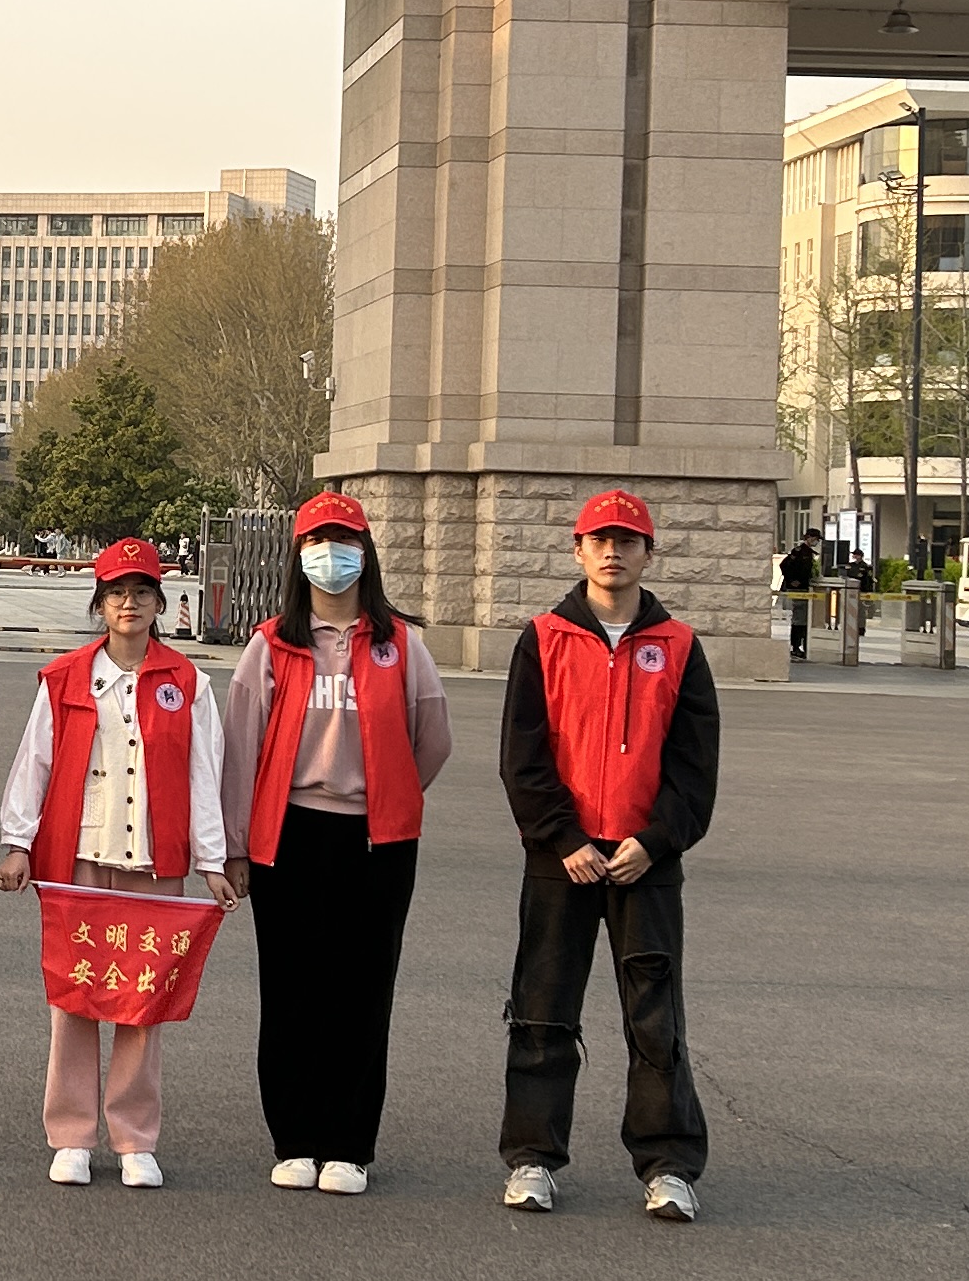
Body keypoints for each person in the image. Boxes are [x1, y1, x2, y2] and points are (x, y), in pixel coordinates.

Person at [218, 493, 453, 1196]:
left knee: (362, 990)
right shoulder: (272, 645)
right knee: (291, 988)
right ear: (299, 555)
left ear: (366, 553)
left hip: (376, 841)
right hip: (290, 835)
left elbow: (432, 740)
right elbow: (240, 751)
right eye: (317, 541)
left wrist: (390, 791)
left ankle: (349, 1144)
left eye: (345, 540)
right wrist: (235, 847)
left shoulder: (400, 645)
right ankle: (295, 1138)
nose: (331, 554)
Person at [496, 490, 720, 1223]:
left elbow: (694, 768)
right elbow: (523, 756)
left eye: (627, 540)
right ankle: (532, 1158)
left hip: (643, 863)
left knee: (655, 1019)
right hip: (561, 860)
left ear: (649, 552)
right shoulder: (544, 638)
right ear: (578, 549)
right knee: (542, 1009)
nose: (613, 551)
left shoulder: (679, 646)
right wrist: (563, 838)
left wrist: (654, 842)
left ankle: (669, 1165)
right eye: (599, 539)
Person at [0, 538, 235, 1189]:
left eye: (142, 592)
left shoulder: (188, 684)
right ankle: (71, 1134)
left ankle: (134, 1137)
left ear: (159, 602)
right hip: (78, 857)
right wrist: (19, 842)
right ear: (100, 603)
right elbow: (35, 763)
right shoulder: (66, 677)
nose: (130, 603)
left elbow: (204, 774)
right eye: (117, 593)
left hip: (155, 863)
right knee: (75, 999)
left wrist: (212, 860)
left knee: (142, 999)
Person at [779, 526, 820, 661]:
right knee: (799, 619)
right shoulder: (799, 551)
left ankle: (802, 646)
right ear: (809, 538)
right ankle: (795, 647)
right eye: (816, 539)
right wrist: (792, 581)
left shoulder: (811, 553)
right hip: (799, 590)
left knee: (805, 619)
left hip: (806, 589)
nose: (817, 542)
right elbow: (784, 565)